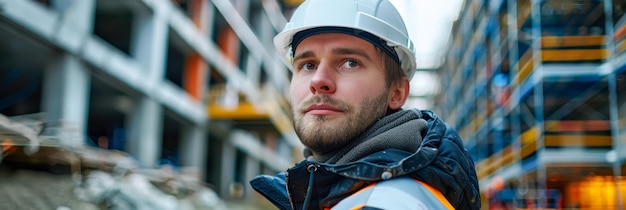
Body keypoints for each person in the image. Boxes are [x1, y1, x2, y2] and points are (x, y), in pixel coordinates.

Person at [250, 0, 480, 209]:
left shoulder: (387, 203)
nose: (318, 81)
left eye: (350, 63)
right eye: (307, 65)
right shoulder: (343, 193)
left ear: (397, 92)